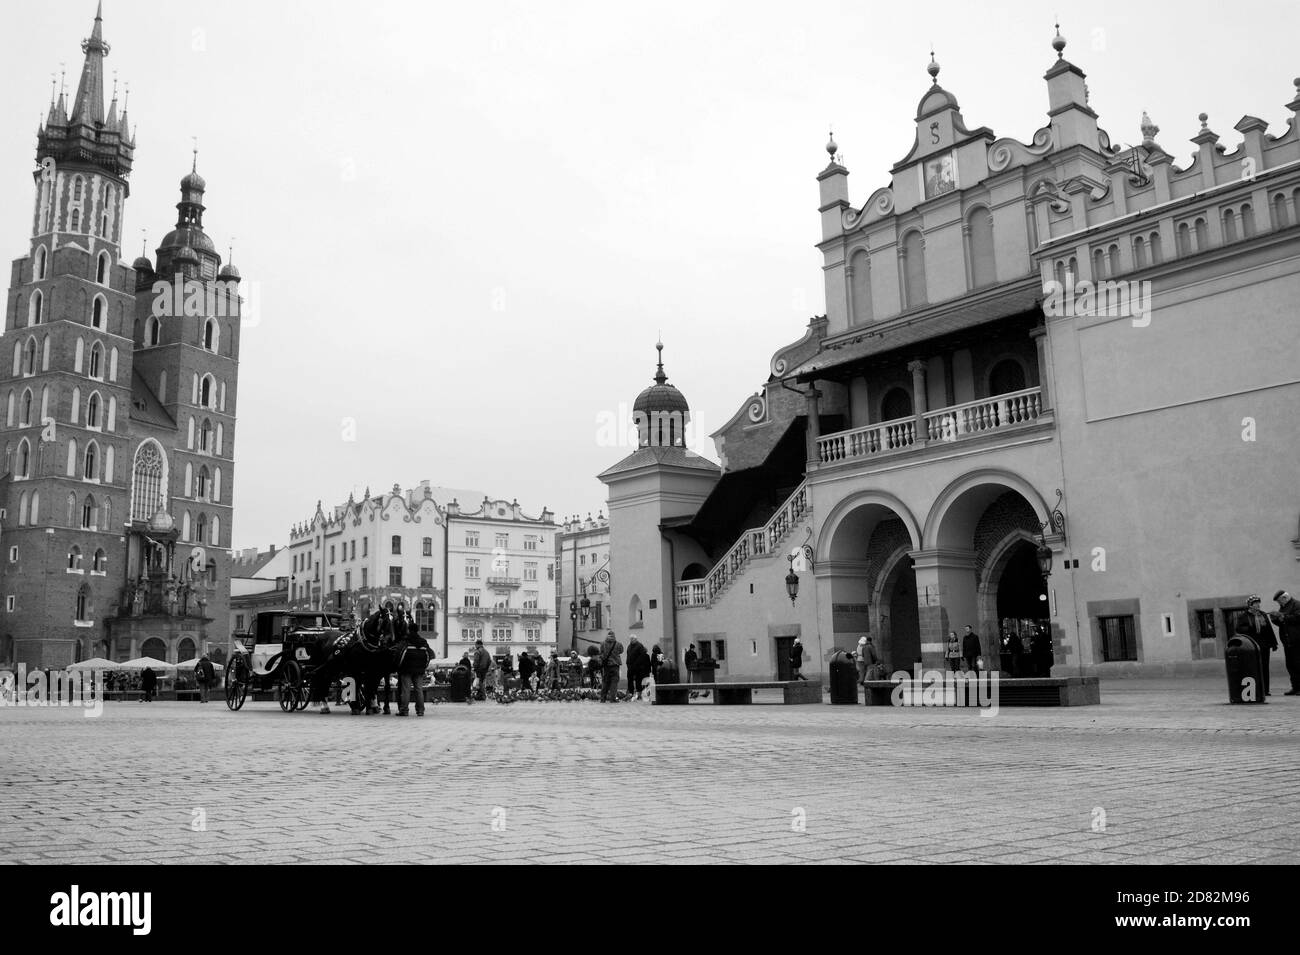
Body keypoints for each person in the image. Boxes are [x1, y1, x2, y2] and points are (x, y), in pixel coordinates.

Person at [1235, 595, 1277, 695]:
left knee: (1264, 667)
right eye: (1255, 603)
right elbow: (1239, 629)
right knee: (1253, 667)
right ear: (1250, 605)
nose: (1258, 605)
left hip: (1264, 646)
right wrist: (1249, 627)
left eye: (1258, 603)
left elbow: (1269, 630)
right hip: (1251, 646)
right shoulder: (1243, 616)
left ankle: (1265, 690)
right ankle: (1255, 689)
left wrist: (1273, 643)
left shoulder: (1262, 614)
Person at [396, 621, 432, 716]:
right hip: (419, 670)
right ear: (417, 630)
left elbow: (399, 655)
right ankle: (420, 711)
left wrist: (399, 666)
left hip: (406, 669)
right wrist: (424, 667)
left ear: (409, 630)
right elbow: (429, 655)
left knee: (406, 690)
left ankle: (404, 710)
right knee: (419, 690)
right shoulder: (423, 642)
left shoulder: (406, 641)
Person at [1269, 590, 1300, 696]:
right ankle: (1295, 687)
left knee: (1298, 664)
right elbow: (1283, 624)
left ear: (1284, 598)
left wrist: (1283, 616)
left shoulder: (1297, 604)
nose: (1279, 604)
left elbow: (1297, 618)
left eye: (1279, 601)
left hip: (1297, 641)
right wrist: (1275, 619)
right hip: (1288, 642)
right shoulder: (1284, 607)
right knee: (1290, 665)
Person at [598, 630, 624, 702]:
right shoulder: (618, 644)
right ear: (614, 636)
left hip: (606, 666)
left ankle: (603, 698)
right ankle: (612, 698)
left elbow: (601, 652)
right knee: (614, 682)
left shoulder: (603, 644)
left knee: (605, 682)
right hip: (615, 665)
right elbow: (621, 651)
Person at [626, 633, 650, 698]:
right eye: (630, 639)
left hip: (638, 667)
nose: (631, 640)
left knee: (638, 680)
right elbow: (628, 655)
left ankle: (639, 693)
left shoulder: (639, 646)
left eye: (632, 639)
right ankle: (631, 692)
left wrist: (636, 664)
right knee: (630, 679)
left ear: (636, 639)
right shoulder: (629, 646)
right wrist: (627, 663)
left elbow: (641, 657)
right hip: (630, 666)